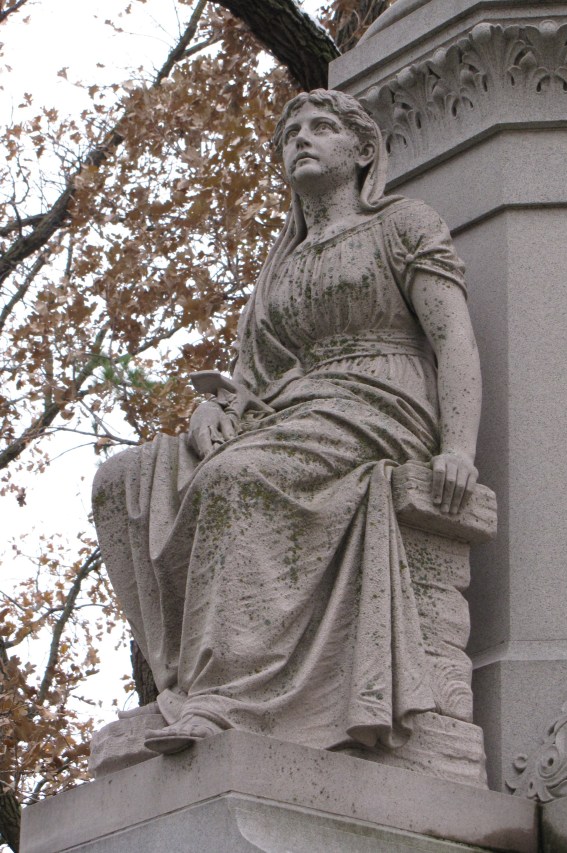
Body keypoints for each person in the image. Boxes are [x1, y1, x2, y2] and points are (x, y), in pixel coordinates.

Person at [92, 89, 482, 768]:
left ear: (362, 151)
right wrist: (212, 409)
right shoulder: (283, 261)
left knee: (237, 478)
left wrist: (460, 449)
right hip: (289, 413)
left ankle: (232, 696)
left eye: (323, 126)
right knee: (121, 480)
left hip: (379, 402)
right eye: (290, 131)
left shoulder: (402, 223)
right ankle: (178, 685)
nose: (302, 137)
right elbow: (253, 377)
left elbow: (454, 341)